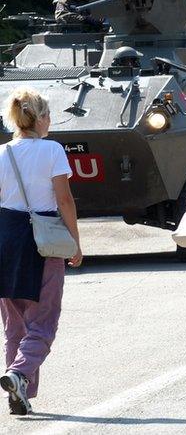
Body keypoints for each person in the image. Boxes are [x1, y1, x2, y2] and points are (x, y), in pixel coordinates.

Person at [0, 87, 83, 416]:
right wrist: (75, 241)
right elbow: (64, 200)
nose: (51, 121)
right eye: (49, 115)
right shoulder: (52, 150)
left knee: (14, 324)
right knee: (44, 320)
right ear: (40, 118)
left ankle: (19, 393)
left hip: (5, 237)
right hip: (43, 241)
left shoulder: (3, 153)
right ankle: (19, 374)